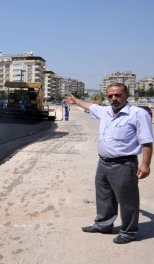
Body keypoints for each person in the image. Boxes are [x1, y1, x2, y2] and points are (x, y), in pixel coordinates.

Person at [63, 83, 153, 244]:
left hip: (124, 164)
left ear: (127, 95)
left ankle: (129, 232)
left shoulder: (137, 114)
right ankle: (103, 224)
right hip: (103, 163)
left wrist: (145, 164)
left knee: (127, 200)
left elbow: (147, 142)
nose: (114, 98)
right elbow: (90, 106)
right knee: (104, 196)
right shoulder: (105, 111)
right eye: (110, 95)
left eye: (118, 95)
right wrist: (76, 100)